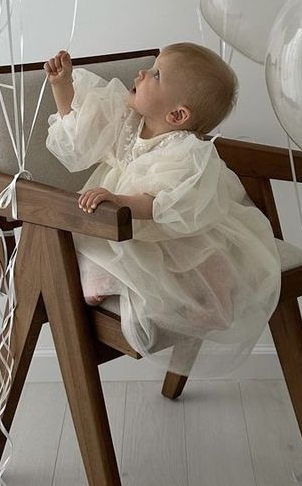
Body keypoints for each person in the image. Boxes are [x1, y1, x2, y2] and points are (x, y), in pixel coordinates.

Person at [44, 42, 281, 376]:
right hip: (122, 228)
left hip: (164, 223)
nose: (141, 73)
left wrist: (121, 200)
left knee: (208, 251)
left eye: (155, 74)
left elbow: (168, 204)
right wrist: (62, 87)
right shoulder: (126, 119)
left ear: (177, 115)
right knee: (98, 246)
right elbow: (78, 139)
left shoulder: (188, 152)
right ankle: (108, 279)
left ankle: (213, 299)